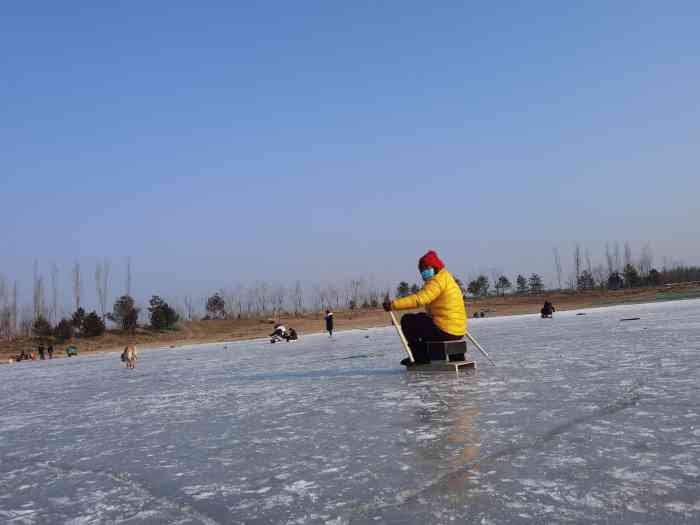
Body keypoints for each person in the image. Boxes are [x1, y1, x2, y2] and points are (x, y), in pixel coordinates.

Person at [383, 250, 467, 366]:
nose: (424, 272)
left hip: (445, 329)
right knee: (423, 320)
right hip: (458, 329)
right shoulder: (447, 278)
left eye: (426, 268)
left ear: (435, 267)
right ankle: (455, 356)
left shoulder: (437, 281)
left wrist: (393, 305)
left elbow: (419, 299)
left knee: (408, 321)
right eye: (422, 269)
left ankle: (420, 358)